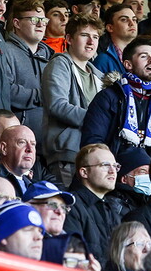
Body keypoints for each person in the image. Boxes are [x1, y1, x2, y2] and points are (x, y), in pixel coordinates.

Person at [41, 14, 104, 185]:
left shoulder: (99, 76)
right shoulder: (60, 64)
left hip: (95, 156)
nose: (91, 42)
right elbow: (57, 105)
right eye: (85, 35)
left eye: (96, 37)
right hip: (67, 154)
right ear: (68, 38)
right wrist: (97, 120)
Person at [82, 36, 151, 156]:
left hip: (150, 171)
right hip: (116, 169)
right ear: (128, 64)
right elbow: (93, 143)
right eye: (144, 56)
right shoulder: (108, 97)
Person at [65, 144, 128, 265]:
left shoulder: (112, 210)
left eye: (115, 166)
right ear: (84, 172)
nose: (112, 171)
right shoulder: (71, 204)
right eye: (105, 165)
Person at [3, 0, 55, 139]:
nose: (40, 24)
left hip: (48, 142)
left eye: (43, 20)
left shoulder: (52, 57)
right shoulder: (5, 51)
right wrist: (43, 95)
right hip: (17, 139)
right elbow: (6, 91)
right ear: (17, 23)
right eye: (34, 20)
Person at [93, 5, 139, 75]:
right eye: (124, 19)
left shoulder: (143, 57)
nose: (132, 23)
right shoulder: (103, 61)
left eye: (134, 19)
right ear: (110, 28)